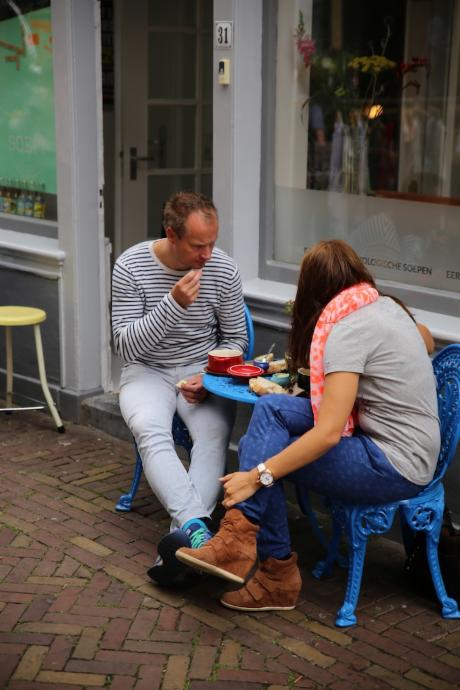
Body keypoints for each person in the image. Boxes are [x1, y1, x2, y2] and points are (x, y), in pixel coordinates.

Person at [176, 239, 440, 611]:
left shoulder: (347, 331)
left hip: (394, 463)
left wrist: (257, 476)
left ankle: (272, 573)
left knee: (274, 458)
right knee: (271, 409)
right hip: (396, 442)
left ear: (313, 290)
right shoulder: (382, 305)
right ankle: (243, 542)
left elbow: (329, 432)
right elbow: (426, 338)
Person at [112, 191, 248, 584]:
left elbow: (236, 340)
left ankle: (181, 549)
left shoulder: (222, 269)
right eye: (198, 246)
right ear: (171, 234)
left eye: (212, 243)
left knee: (213, 435)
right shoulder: (131, 265)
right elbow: (125, 347)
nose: (208, 255)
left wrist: (210, 376)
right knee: (149, 430)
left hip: (201, 371)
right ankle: (199, 533)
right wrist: (172, 304)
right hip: (146, 370)